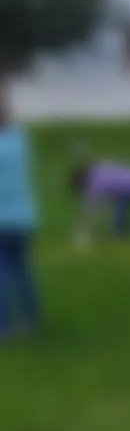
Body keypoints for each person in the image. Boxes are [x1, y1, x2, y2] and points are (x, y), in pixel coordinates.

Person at [0, 106, 39, 340]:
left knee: (2, 272)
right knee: (22, 270)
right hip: (24, 217)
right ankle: (31, 321)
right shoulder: (20, 140)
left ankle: (3, 327)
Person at [70, 161, 130, 243]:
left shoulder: (96, 181)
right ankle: (122, 231)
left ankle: (122, 234)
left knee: (121, 209)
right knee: (121, 208)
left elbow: (92, 205)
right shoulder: (97, 172)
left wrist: (84, 224)